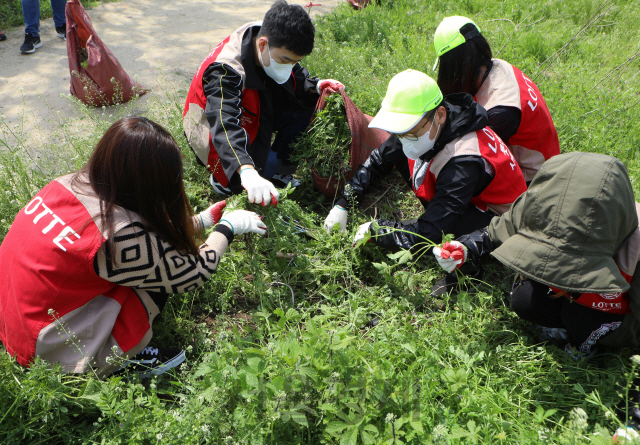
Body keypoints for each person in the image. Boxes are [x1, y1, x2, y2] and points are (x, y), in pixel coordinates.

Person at [0, 117, 267, 377]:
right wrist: (227, 229)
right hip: (42, 349)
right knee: (154, 286)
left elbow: (134, 234)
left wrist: (200, 221)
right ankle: (120, 361)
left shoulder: (67, 184)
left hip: (12, 316)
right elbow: (190, 273)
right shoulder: (116, 238)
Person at [433, 152, 640, 361]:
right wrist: (469, 246)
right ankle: (568, 325)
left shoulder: (636, 244)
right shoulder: (540, 205)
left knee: (582, 318)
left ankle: (585, 343)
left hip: (613, 309)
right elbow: (504, 227)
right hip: (567, 292)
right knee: (525, 298)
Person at [324, 69, 527, 255]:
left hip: (495, 216)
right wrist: (343, 204)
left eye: (410, 132)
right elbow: (380, 158)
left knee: (450, 232)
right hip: (466, 190)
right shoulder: (425, 123)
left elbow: (431, 231)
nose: (403, 138)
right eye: (399, 132)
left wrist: (377, 230)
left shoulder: (463, 161)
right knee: (402, 151)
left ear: (440, 115)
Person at [183, 0, 343, 205]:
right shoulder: (225, 71)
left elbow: (295, 75)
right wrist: (246, 170)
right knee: (255, 171)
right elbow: (224, 124)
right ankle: (222, 180)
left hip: (250, 108)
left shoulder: (270, 36)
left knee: (310, 100)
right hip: (210, 130)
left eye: (295, 62)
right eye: (285, 61)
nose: (289, 67)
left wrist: (317, 85)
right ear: (262, 45)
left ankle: (278, 171)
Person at [433, 16, 560, 183]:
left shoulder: (499, 110)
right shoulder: (496, 66)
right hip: (544, 159)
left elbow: (471, 152)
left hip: (534, 180)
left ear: (455, 69)